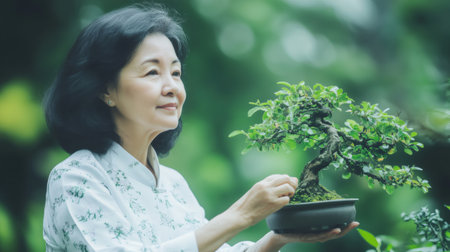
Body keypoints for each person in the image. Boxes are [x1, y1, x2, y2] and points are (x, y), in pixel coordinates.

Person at [43, 4, 359, 252]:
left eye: (176, 73)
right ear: (105, 90)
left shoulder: (173, 184)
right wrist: (241, 215)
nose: (171, 87)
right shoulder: (77, 178)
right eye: (152, 73)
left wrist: (278, 238)